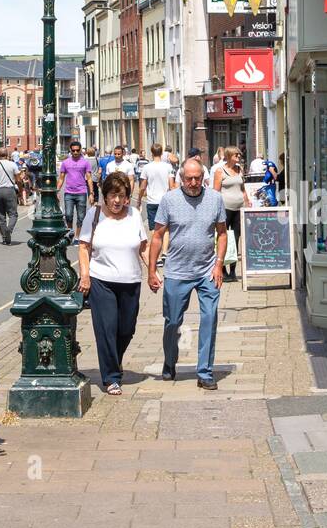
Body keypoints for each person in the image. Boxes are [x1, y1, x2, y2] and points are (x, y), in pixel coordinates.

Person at [148, 154, 227, 390]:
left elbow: (222, 233)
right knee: (172, 321)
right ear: (181, 178)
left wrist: (219, 263)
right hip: (177, 271)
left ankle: (204, 372)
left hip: (207, 271)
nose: (193, 183)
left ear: (204, 177)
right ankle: (170, 361)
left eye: (197, 178)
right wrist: (152, 271)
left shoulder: (215, 199)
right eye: (189, 179)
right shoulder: (169, 200)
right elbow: (157, 236)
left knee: (210, 318)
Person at [78, 171, 148, 395]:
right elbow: (83, 247)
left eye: (121, 195)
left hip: (131, 280)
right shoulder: (94, 214)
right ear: (105, 196)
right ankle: (111, 377)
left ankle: (114, 360)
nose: (117, 200)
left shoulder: (135, 215)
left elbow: (143, 247)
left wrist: (153, 272)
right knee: (107, 329)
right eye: (112, 195)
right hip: (102, 281)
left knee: (127, 329)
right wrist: (85, 275)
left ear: (127, 196)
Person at [212, 145, 246, 281]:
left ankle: (232, 271)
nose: (238, 157)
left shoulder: (239, 169)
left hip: (239, 209)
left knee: (236, 239)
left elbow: (242, 189)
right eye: (236, 155)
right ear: (228, 156)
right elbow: (216, 192)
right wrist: (216, 209)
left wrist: (247, 202)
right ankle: (223, 270)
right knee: (224, 238)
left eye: (239, 155)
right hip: (225, 209)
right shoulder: (220, 171)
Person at [57, 140, 93, 242]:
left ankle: (77, 237)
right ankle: (70, 232)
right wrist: (57, 191)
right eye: (73, 150)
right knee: (68, 215)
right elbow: (61, 178)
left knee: (81, 217)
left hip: (81, 192)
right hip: (69, 193)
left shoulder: (85, 162)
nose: (75, 152)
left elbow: (89, 178)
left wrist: (91, 193)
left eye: (77, 150)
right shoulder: (65, 163)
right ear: (71, 151)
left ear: (80, 150)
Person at [135, 144, 176, 234]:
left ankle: (156, 247)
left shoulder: (147, 167)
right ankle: (164, 248)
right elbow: (172, 187)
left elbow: (142, 187)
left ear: (152, 153)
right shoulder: (168, 167)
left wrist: (139, 200)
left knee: (154, 229)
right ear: (161, 153)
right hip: (165, 201)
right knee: (166, 229)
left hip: (152, 201)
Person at [0, 147, 20, 244]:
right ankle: (9, 230)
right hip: (9, 190)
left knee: (1, 215)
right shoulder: (12, 165)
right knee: (13, 214)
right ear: (8, 154)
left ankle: (4, 237)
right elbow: (18, 179)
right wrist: (20, 189)